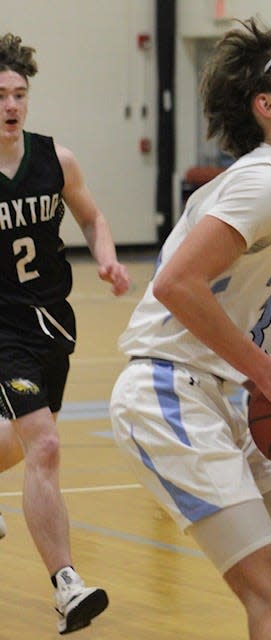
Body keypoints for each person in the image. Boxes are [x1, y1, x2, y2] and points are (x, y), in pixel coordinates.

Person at [110, 18, 271, 640]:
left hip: (219, 398)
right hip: (169, 395)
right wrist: (268, 374)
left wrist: (261, 382)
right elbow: (176, 284)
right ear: (268, 104)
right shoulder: (263, 181)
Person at [0, 34, 131, 633]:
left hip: (51, 321)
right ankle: (67, 585)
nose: (11, 105)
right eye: (1, 94)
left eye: (19, 94)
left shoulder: (57, 158)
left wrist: (106, 257)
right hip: (2, 329)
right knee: (46, 444)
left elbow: (91, 215)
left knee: (25, 443)